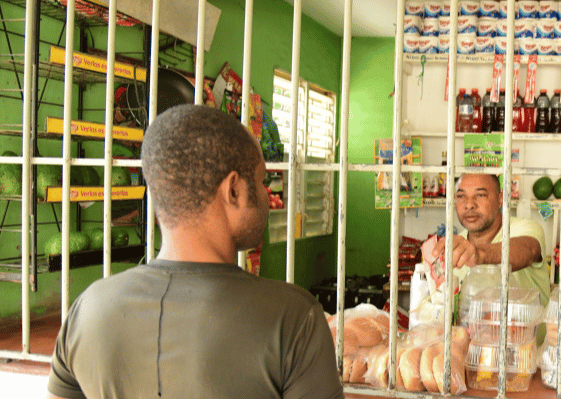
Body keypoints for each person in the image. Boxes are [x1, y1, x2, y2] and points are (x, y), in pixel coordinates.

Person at [47, 105, 343, 399]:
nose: (267, 195)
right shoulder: (293, 318)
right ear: (234, 191)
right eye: (261, 181)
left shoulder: (87, 310)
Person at [430, 173, 550, 303]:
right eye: (461, 196)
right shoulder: (457, 247)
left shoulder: (525, 228)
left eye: (480, 195)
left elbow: (529, 249)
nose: (469, 204)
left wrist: (478, 254)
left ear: (500, 199)